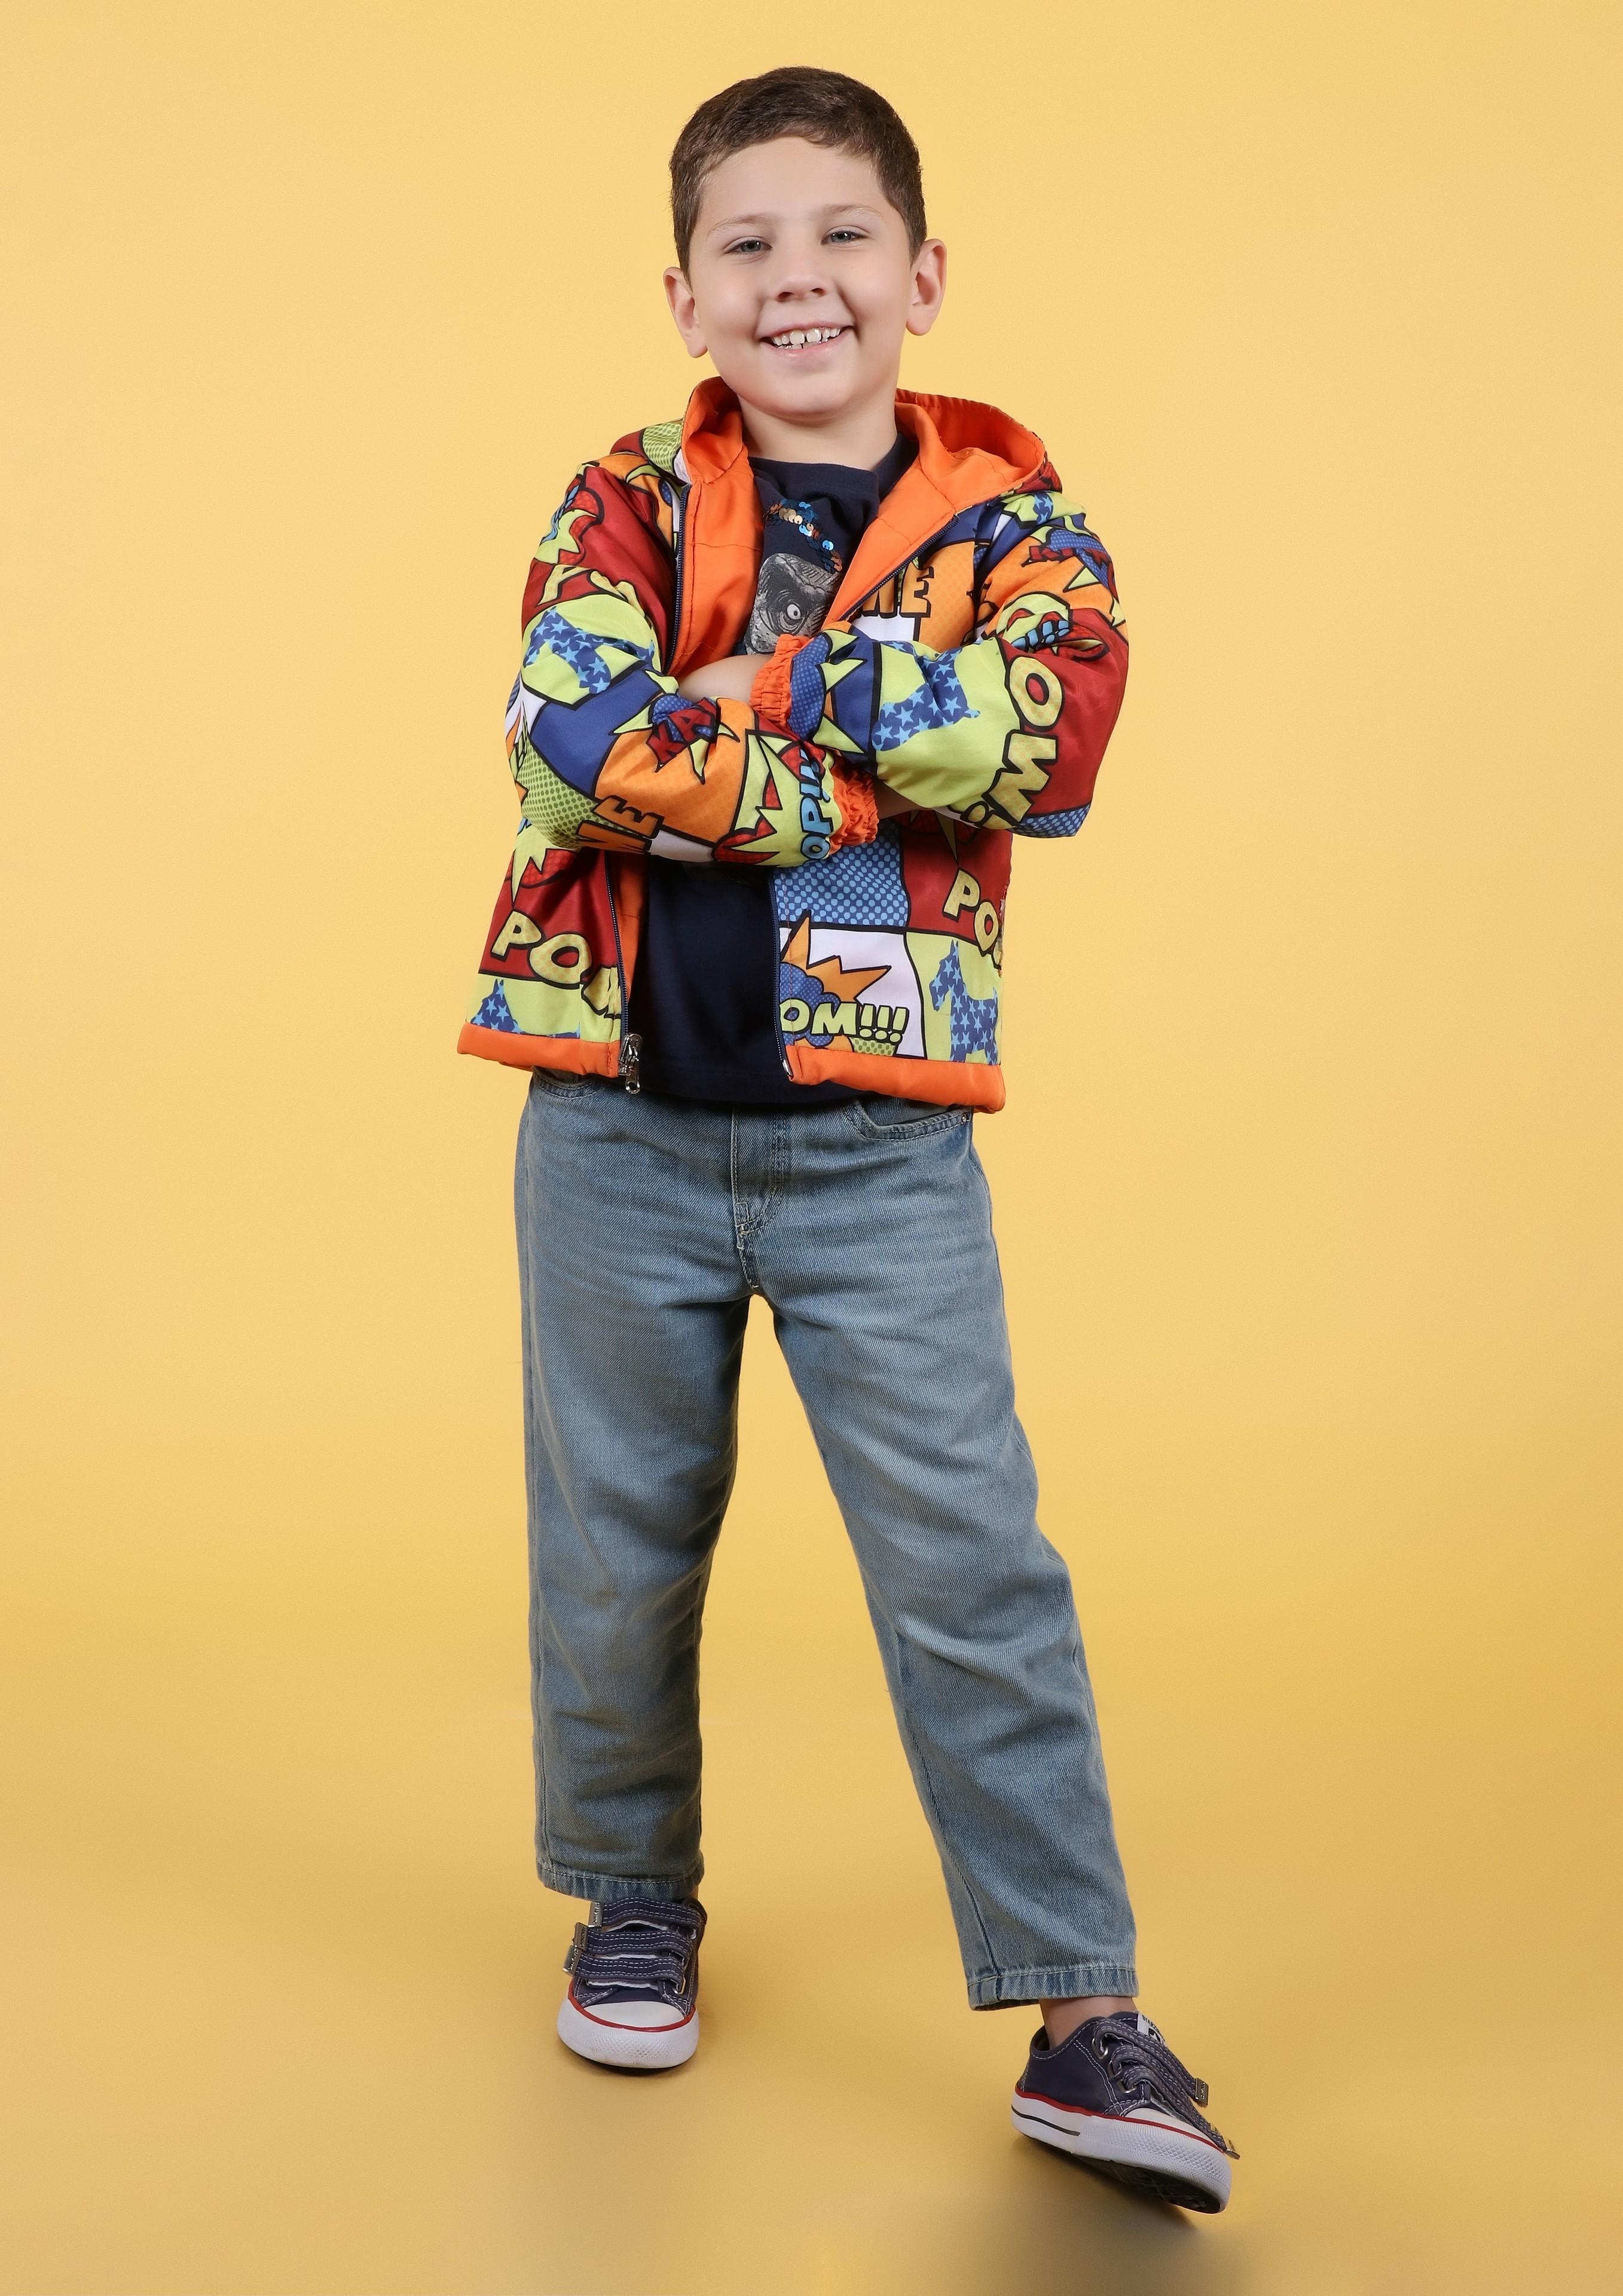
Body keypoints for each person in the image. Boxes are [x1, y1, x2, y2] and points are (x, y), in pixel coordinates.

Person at [458, 66, 1237, 2213]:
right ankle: (630, 1897)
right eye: (746, 244)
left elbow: (1054, 742)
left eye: (839, 236)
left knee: (972, 1566)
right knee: (614, 1552)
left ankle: (1082, 2015)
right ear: (685, 297)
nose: (794, 279)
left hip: (876, 1153)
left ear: (922, 274)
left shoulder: (1020, 528)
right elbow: (567, 740)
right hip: (610, 1120)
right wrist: (882, 743)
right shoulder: (620, 496)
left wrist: (740, 701)